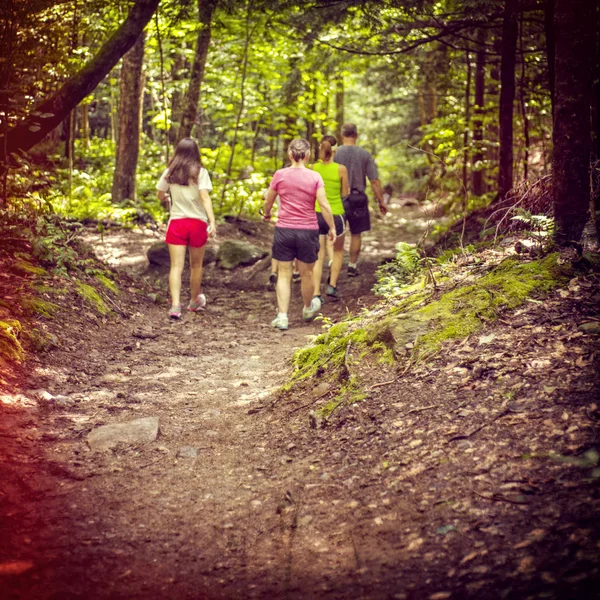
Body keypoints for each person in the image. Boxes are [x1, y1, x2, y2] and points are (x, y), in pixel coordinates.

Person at [263, 139, 336, 330]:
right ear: (308, 155)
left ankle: (282, 316)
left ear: (290, 155)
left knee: (284, 274)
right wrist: (332, 227)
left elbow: (268, 200)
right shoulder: (315, 177)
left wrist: (267, 213)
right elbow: (325, 205)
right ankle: (306, 308)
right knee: (307, 273)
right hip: (308, 231)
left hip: (284, 230)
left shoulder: (280, 175)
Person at [156, 137, 216, 319]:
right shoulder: (200, 172)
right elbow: (205, 197)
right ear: (196, 152)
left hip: (177, 223)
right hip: (197, 223)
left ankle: (175, 306)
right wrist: (212, 221)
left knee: (176, 266)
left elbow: (160, 194)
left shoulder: (170, 172)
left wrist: (166, 198)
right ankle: (193, 301)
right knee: (196, 266)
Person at [334, 123, 387, 277]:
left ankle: (334, 265)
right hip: (358, 199)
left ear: (342, 135)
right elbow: (374, 181)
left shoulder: (335, 154)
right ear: (356, 135)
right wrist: (381, 201)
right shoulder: (364, 154)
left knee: (338, 233)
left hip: (338, 198)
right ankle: (352, 265)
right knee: (356, 234)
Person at [311, 135, 349, 301]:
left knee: (318, 255)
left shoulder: (313, 168)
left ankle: (315, 294)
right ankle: (332, 286)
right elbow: (345, 193)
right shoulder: (341, 169)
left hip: (317, 214)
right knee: (338, 251)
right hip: (336, 215)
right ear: (336, 150)